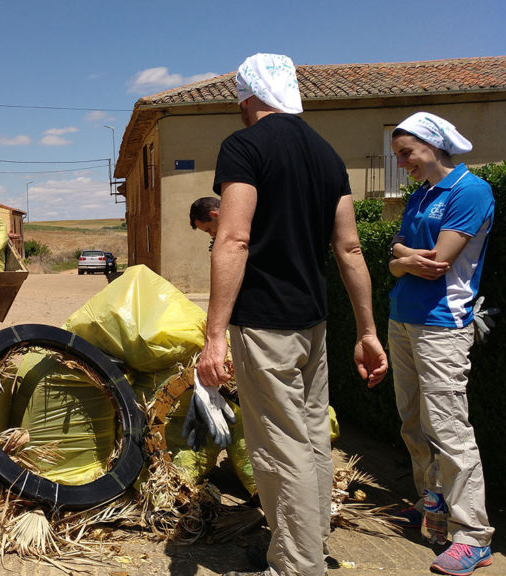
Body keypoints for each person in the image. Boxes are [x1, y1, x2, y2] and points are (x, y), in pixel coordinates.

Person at [195, 53, 388, 576]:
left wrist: (214, 338)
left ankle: (299, 565)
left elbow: (233, 237)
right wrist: (367, 331)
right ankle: (305, 542)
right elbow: (349, 250)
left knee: (282, 449)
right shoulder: (326, 154)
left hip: (264, 325)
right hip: (314, 324)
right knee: (309, 438)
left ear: (249, 95)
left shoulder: (245, 146)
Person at [387, 112, 494, 575]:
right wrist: (405, 259)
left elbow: (439, 262)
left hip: (442, 324)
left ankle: (473, 535)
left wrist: (404, 259)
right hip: (403, 318)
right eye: (397, 157)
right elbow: (396, 252)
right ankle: (430, 506)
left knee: (449, 429)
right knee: (413, 422)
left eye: (406, 153)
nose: (402, 163)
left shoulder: (471, 191)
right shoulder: (422, 195)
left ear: (433, 145)